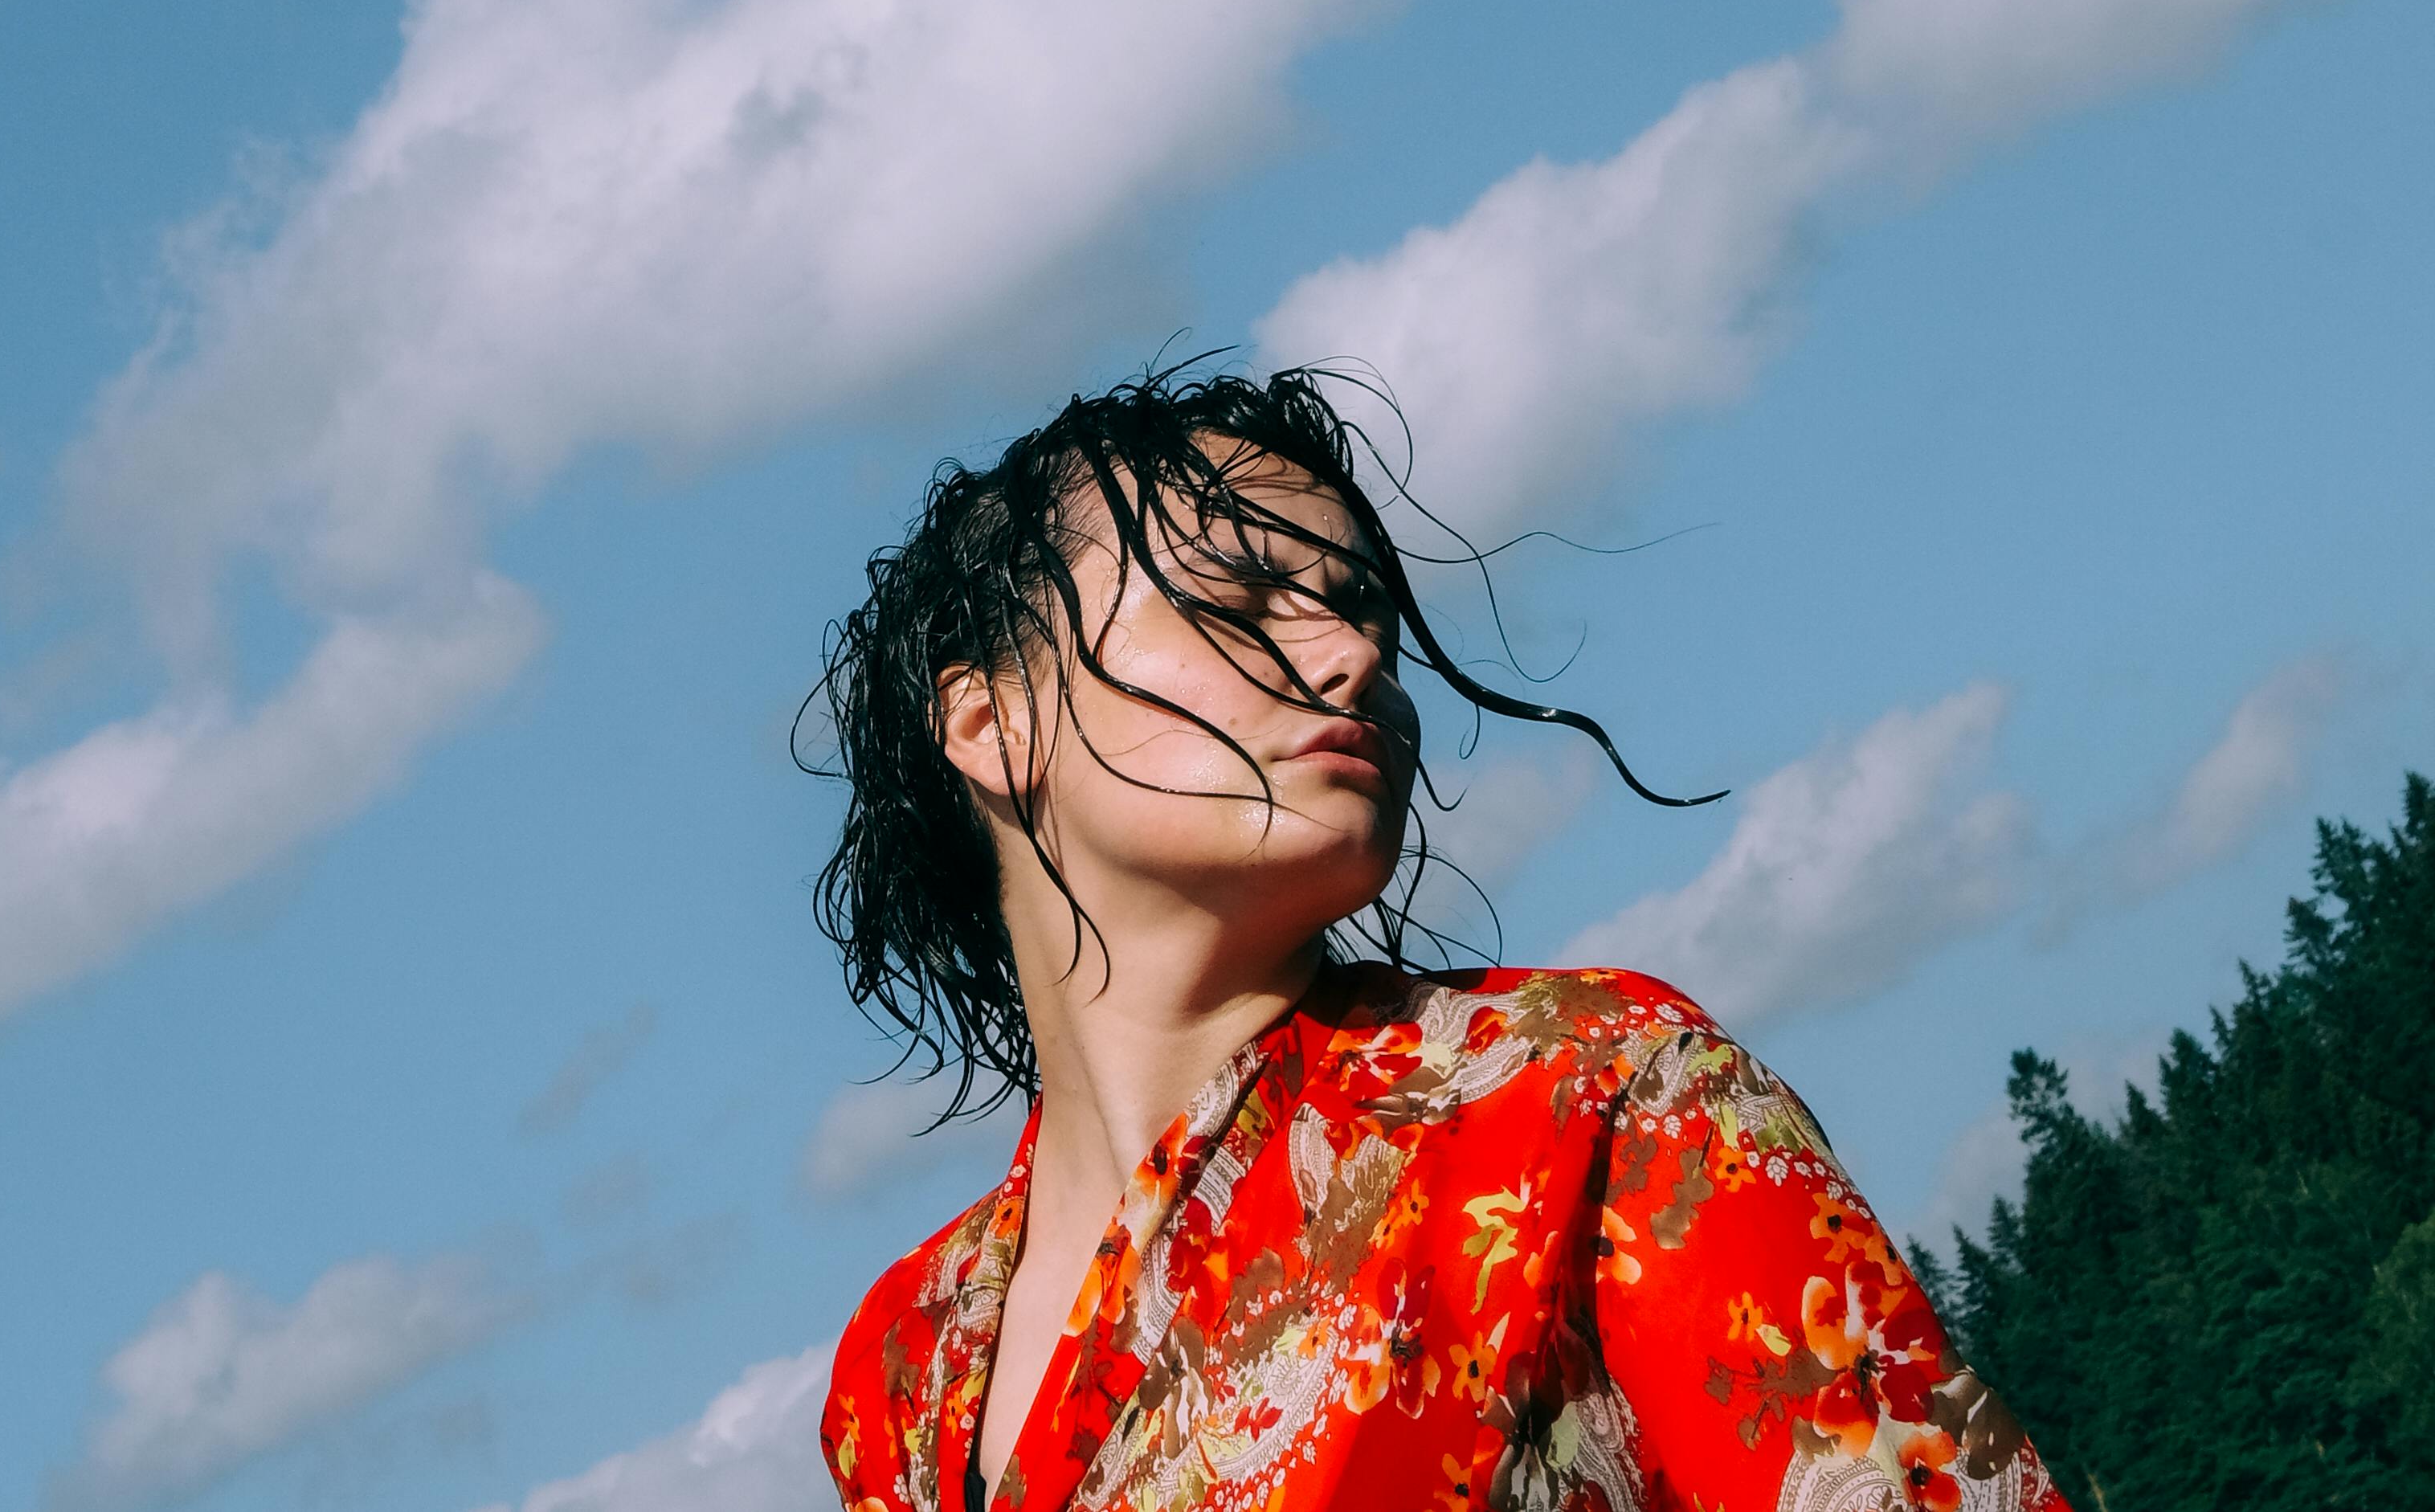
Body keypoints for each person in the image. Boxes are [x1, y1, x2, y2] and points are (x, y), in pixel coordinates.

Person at [805, 365, 2055, 1512]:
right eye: (1240, 602)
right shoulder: (901, 1373)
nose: (1350, 654)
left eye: (1363, 612)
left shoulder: (1595, 1094)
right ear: (987, 724)